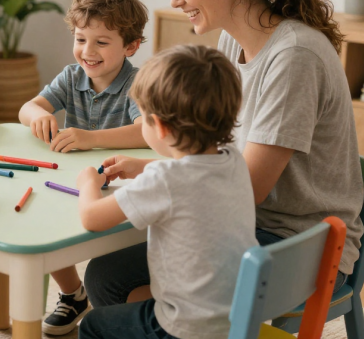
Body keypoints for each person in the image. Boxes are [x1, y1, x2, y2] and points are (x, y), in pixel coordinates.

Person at [85, 0, 363, 310]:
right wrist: (150, 169)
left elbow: (247, 188)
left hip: (296, 248)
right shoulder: (235, 40)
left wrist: (163, 173)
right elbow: (224, 156)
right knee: (109, 272)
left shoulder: (294, 57)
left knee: (113, 280)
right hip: (249, 226)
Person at [77, 45, 257, 339]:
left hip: (184, 328)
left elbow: (92, 218)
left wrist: (88, 183)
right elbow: (191, 176)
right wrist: (143, 167)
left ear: (158, 126)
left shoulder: (166, 180)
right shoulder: (232, 159)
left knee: (93, 325)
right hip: (233, 317)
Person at [18, 0, 149, 335]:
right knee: (36, 223)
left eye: (101, 42)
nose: (87, 52)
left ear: (131, 46)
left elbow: (146, 132)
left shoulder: (138, 84)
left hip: (120, 187)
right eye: (80, 39)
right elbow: (27, 108)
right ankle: (71, 293)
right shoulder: (71, 76)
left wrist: (90, 139)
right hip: (75, 181)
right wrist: (38, 117)